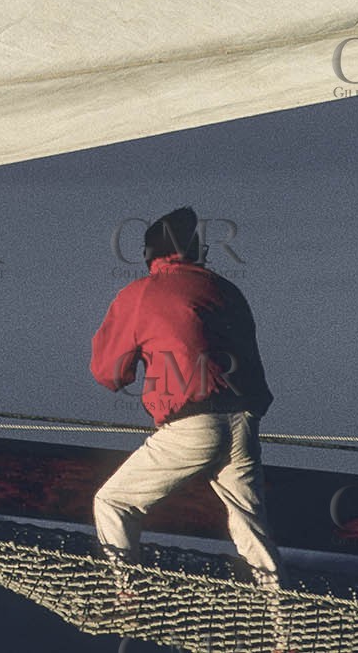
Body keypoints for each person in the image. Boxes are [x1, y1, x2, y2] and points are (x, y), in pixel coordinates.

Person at [89, 206, 283, 590]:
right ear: (193, 250)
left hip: (193, 424)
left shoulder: (140, 294)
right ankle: (281, 620)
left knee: (113, 503)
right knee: (250, 527)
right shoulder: (226, 289)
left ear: (150, 255)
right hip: (244, 423)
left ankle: (126, 597)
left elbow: (109, 373)